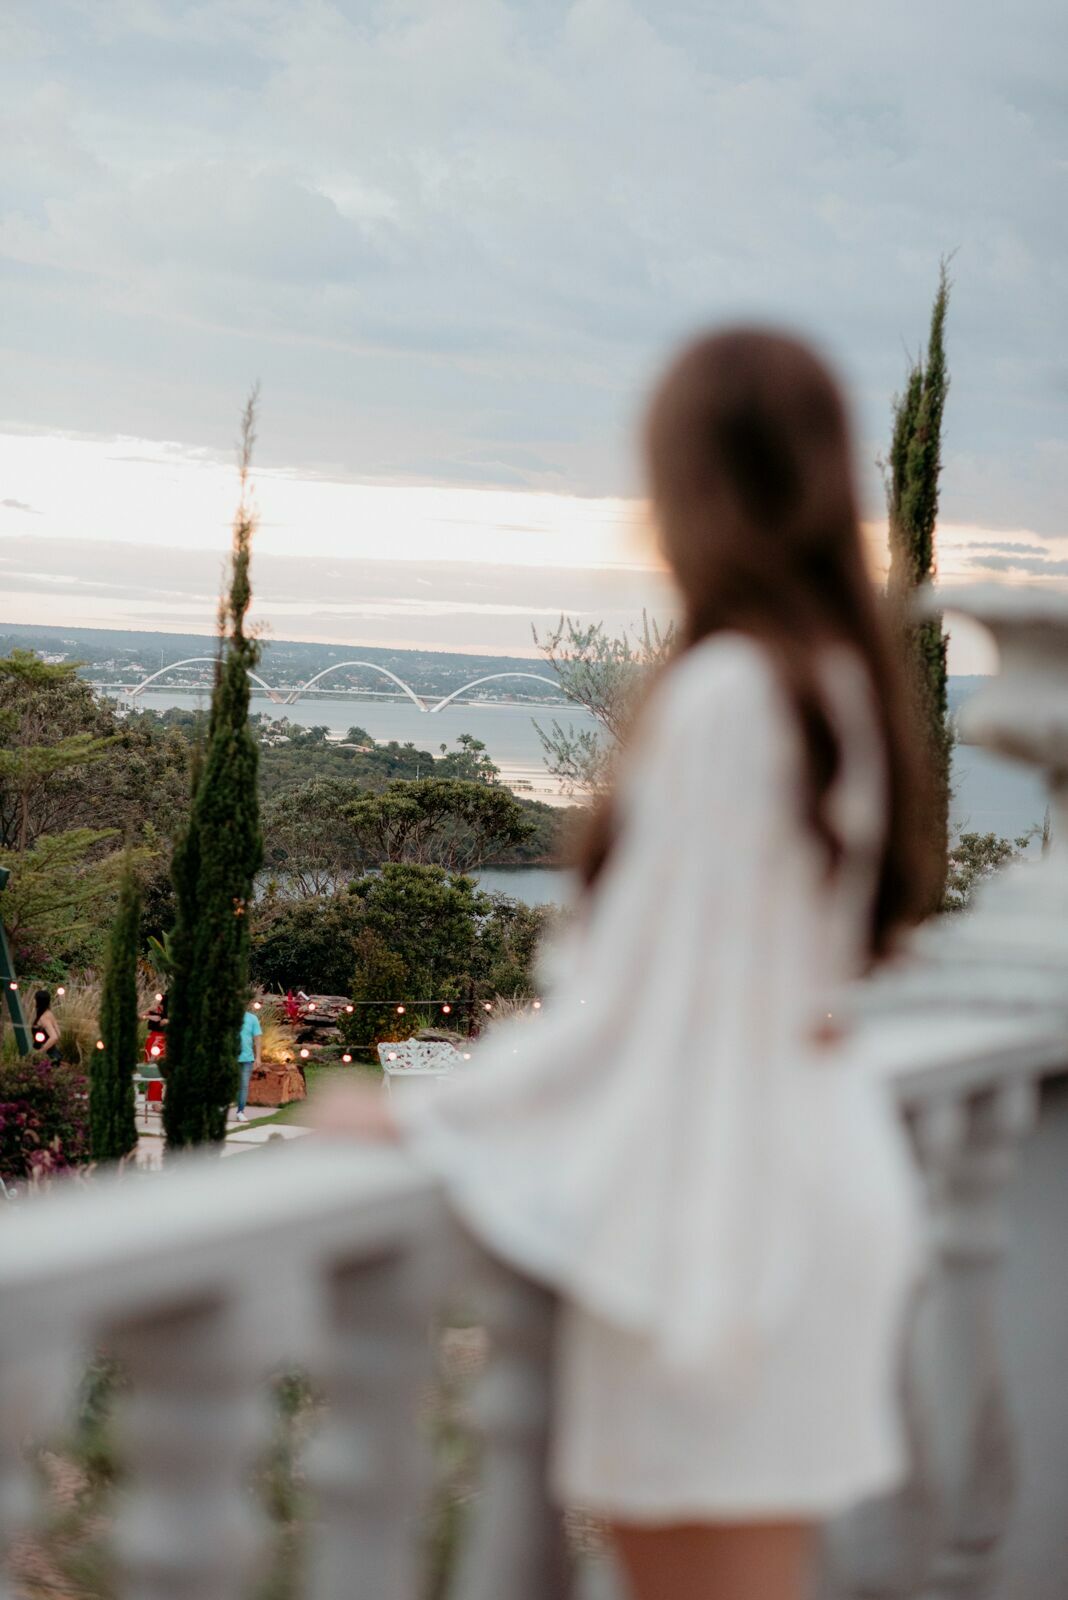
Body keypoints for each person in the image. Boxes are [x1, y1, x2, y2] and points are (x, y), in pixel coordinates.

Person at [315, 328, 939, 1600]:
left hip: (732, 1229)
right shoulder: (838, 685)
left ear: (684, 490)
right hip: (817, 1187)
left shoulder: (728, 697)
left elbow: (635, 1013)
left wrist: (423, 1111)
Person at [235, 1000, 263, 1124]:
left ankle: (240, 1112)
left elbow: (257, 1039)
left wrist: (258, 1058)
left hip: (247, 1059)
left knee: (244, 1086)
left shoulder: (252, 1019)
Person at [32, 990, 61, 1064]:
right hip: (53, 1053)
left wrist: (40, 1052)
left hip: (46, 1058)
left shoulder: (44, 1017)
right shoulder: (49, 1014)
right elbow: (58, 1033)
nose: (33, 1001)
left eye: (35, 999)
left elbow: (54, 1037)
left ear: (39, 1001)